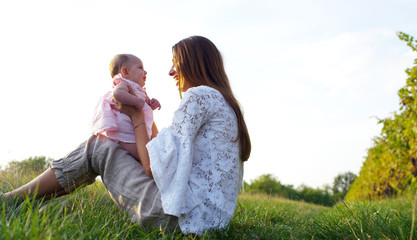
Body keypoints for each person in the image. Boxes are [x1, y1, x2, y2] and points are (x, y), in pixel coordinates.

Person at [3, 36, 251, 236]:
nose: (170, 72)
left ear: (194, 64)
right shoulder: (226, 104)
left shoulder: (199, 96)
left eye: (176, 63)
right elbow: (163, 156)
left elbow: (151, 166)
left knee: (97, 146)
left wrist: (135, 117)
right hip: (209, 222)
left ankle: (10, 201)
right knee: (112, 146)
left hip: (178, 218)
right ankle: (29, 201)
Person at [91, 54, 161, 160]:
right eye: (140, 68)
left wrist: (153, 103)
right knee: (146, 157)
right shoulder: (124, 84)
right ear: (126, 72)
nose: (145, 71)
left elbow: (147, 103)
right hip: (126, 134)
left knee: (148, 152)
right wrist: (136, 101)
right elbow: (118, 94)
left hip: (138, 132)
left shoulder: (140, 90)